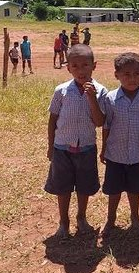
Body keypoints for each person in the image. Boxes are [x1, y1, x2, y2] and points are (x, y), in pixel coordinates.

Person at [44, 44, 107, 239]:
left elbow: (99, 122)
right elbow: (53, 119)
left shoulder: (101, 91)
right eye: (75, 66)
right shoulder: (61, 91)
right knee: (62, 187)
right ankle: (64, 222)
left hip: (86, 147)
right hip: (62, 147)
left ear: (94, 66)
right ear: (68, 68)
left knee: (84, 186)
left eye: (85, 65)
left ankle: (81, 217)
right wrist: (50, 146)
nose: (81, 70)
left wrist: (92, 98)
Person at [100, 52, 139, 237]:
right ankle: (110, 219)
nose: (132, 79)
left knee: (135, 189)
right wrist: (103, 149)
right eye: (126, 74)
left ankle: (135, 218)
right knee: (114, 189)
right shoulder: (110, 98)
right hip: (115, 153)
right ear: (117, 75)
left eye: (136, 74)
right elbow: (106, 126)